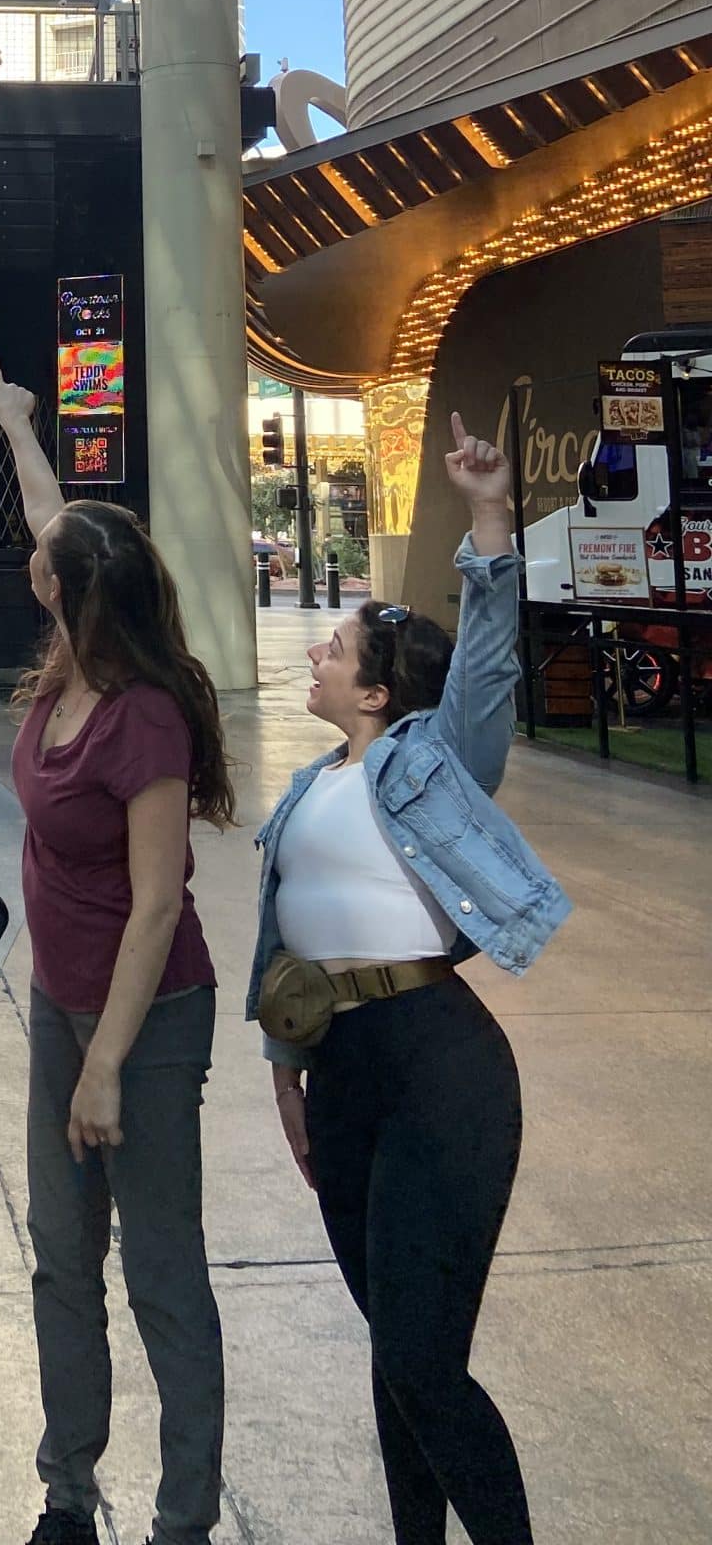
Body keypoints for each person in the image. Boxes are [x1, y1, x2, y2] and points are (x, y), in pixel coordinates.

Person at [250, 414, 571, 1545]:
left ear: (381, 692)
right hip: (343, 1071)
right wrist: (286, 1075)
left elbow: (483, 668)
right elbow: (280, 946)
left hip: (441, 1061)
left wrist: (488, 512)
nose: (317, 655)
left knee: (425, 1359)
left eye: (335, 646)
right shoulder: (299, 794)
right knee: (395, 1353)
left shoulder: (433, 762)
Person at [0, 360, 234, 1545]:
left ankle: (185, 1518)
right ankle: (67, 1493)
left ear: (77, 593)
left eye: (47, 565)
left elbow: (154, 904)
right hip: (58, 1005)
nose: (30, 563)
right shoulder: (70, 662)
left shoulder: (143, 716)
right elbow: (54, 520)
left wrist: (103, 1066)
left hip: (146, 1018)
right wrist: (18, 424)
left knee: (161, 1278)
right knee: (60, 1261)